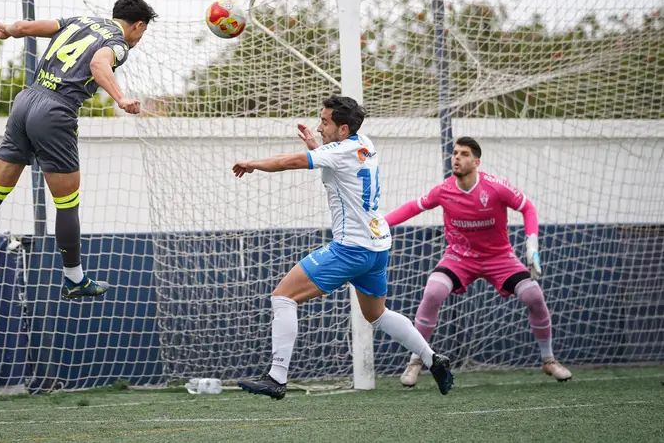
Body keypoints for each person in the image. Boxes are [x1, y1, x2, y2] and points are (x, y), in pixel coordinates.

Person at [232, 95, 454, 400]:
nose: (319, 127)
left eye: (325, 122)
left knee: (283, 296)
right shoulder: (364, 142)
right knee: (376, 314)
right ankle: (432, 359)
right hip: (377, 247)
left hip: (351, 249)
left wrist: (252, 163)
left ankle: (276, 377)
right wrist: (318, 145)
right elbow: (337, 160)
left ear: (344, 128)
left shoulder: (340, 150)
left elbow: (291, 162)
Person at [0, 0, 157, 299]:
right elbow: (99, 63)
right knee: (67, 204)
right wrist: (120, 98)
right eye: (142, 32)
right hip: (55, 113)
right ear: (136, 25)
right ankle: (74, 278)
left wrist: (8, 30)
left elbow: (29, 26)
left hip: (25, 101)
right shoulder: (118, 42)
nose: (139, 38)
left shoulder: (80, 21)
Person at [386, 137, 572, 387]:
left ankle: (549, 360)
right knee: (432, 292)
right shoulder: (444, 189)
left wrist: (532, 248)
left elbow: (528, 208)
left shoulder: (496, 187)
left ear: (476, 161)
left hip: (499, 258)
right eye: (454, 153)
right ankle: (417, 361)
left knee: (534, 296)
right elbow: (413, 207)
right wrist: (381, 224)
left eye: (463, 154)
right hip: (459, 258)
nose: (456, 158)